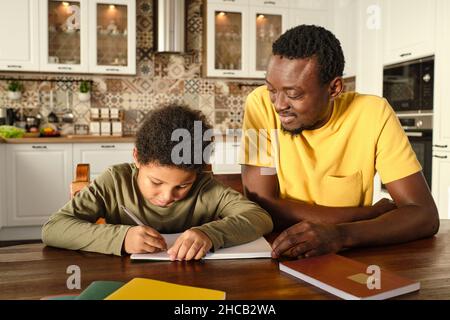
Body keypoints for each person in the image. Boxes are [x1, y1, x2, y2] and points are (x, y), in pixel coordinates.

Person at [240, 25, 439, 259]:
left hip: (346, 256)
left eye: (293, 94)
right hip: (279, 251)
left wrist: (341, 235)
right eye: (272, 89)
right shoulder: (259, 104)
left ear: (334, 88)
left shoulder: (374, 113)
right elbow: (261, 205)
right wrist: (367, 214)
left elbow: (424, 215)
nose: (278, 104)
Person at [42, 105, 273, 260]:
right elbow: (54, 228)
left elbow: (259, 218)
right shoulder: (115, 181)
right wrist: (121, 238)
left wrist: (211, 233)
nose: (166, 196)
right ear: (137, 159)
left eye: (182, 186)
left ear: (199, 172)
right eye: (155, 182)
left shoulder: (205, 187)